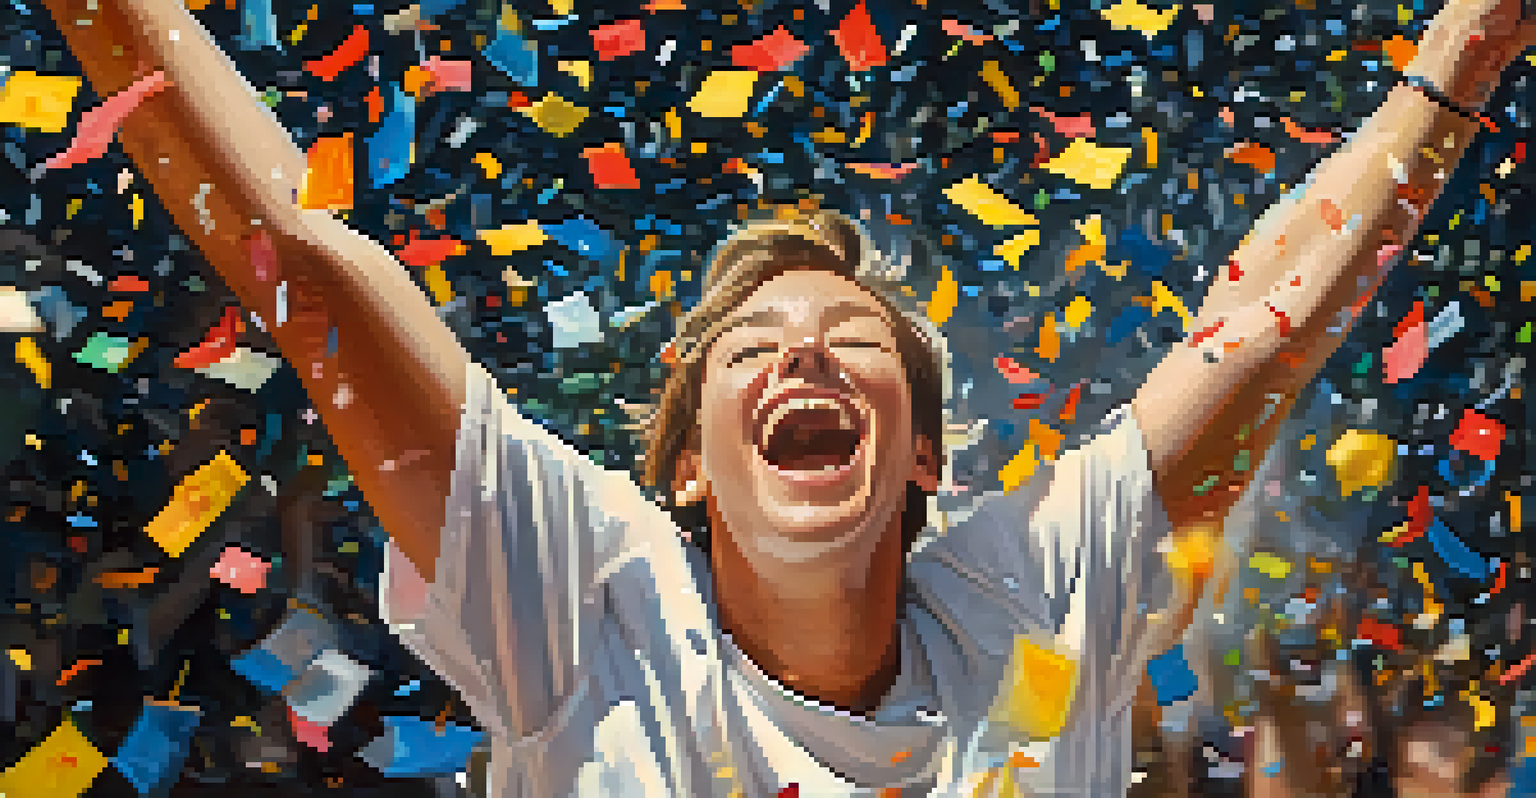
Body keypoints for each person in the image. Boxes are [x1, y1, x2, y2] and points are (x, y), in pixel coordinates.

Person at [41, 0, 1534, 794]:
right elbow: (301, 257)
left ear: (926, 455)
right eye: (753, 348)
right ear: (687, 468)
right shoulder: (585, 598)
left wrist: (1467, 49)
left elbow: (1259, 332)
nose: (805, 354)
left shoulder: (1035, 605)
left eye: (852, 337)